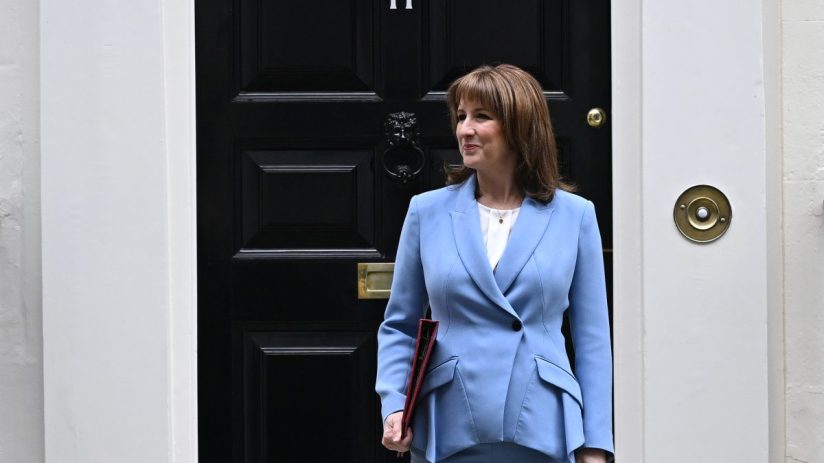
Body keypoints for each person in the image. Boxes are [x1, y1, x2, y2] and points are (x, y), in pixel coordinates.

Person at [375, 64, 614, 463]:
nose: (464, 129)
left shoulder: (575, 216)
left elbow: (592, 340)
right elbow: (400, 324)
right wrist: (394, 405)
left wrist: (595, 444)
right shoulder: (427, 212)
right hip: (449, 424)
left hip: (543, 424)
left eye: (482, 116)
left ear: (521, 127)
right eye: (462, 116)